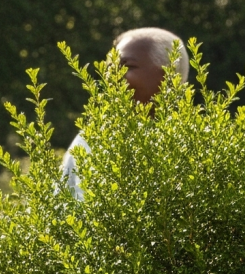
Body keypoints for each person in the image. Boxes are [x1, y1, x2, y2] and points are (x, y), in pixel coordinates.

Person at [61, 27, 189, 200]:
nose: (112, 76)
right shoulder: (90, 141)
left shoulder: (195, 146)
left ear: (168, 76)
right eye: (109, 67)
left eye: (127, 66)